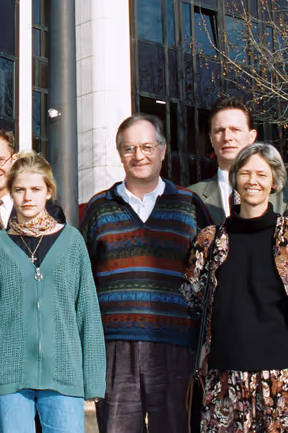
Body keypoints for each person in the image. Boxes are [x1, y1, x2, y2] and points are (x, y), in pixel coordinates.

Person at [183, 143, 288, 431]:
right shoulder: (208, 241)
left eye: (262, 174)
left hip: (286, 376)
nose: (253, 181)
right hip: (226, 375)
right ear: (235, 178)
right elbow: (193, 299)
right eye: (246, 173)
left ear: (274, 181)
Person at [81, 114, 212, 433]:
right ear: (119, 153)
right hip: (114, 348)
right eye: (129, 148)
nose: (138, 156)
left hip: (177, 345)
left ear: (163, 151)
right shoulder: (98, 208)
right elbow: (82, 284)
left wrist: (206, 345)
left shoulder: (189, 205)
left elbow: (209, 280)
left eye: (146, 146)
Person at [0, 151, 105, 433]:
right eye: (19, 189)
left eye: (35, 189)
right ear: (10, 193)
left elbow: (87, 311)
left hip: (64, 374)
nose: (27, 197)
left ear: (48, 192)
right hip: (7, 376)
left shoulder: (72, 242)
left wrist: (93, 378)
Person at [189, 97, 288, 222]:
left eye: (235, 130)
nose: (227, 137)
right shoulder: (192, 197)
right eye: (219, 131)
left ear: (252, 136)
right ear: (211, 139)